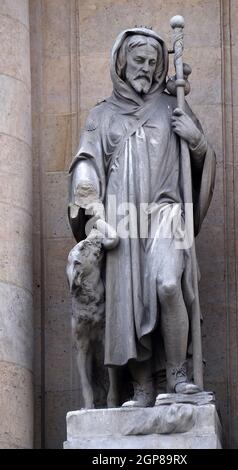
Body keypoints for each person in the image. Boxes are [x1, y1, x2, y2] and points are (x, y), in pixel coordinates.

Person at [68, 27, 216, 407]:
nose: (146, 69)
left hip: (167, 212)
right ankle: (143, 388)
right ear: (122, 61)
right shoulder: (100, 115)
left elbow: (203, 162)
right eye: (139, 60)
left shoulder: (173, 106)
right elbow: (86, 164)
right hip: (123, 218)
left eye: (153, 62)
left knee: (168, 284)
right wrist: (95, 212)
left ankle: (179, 374)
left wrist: (196, 140)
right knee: (128, 304)